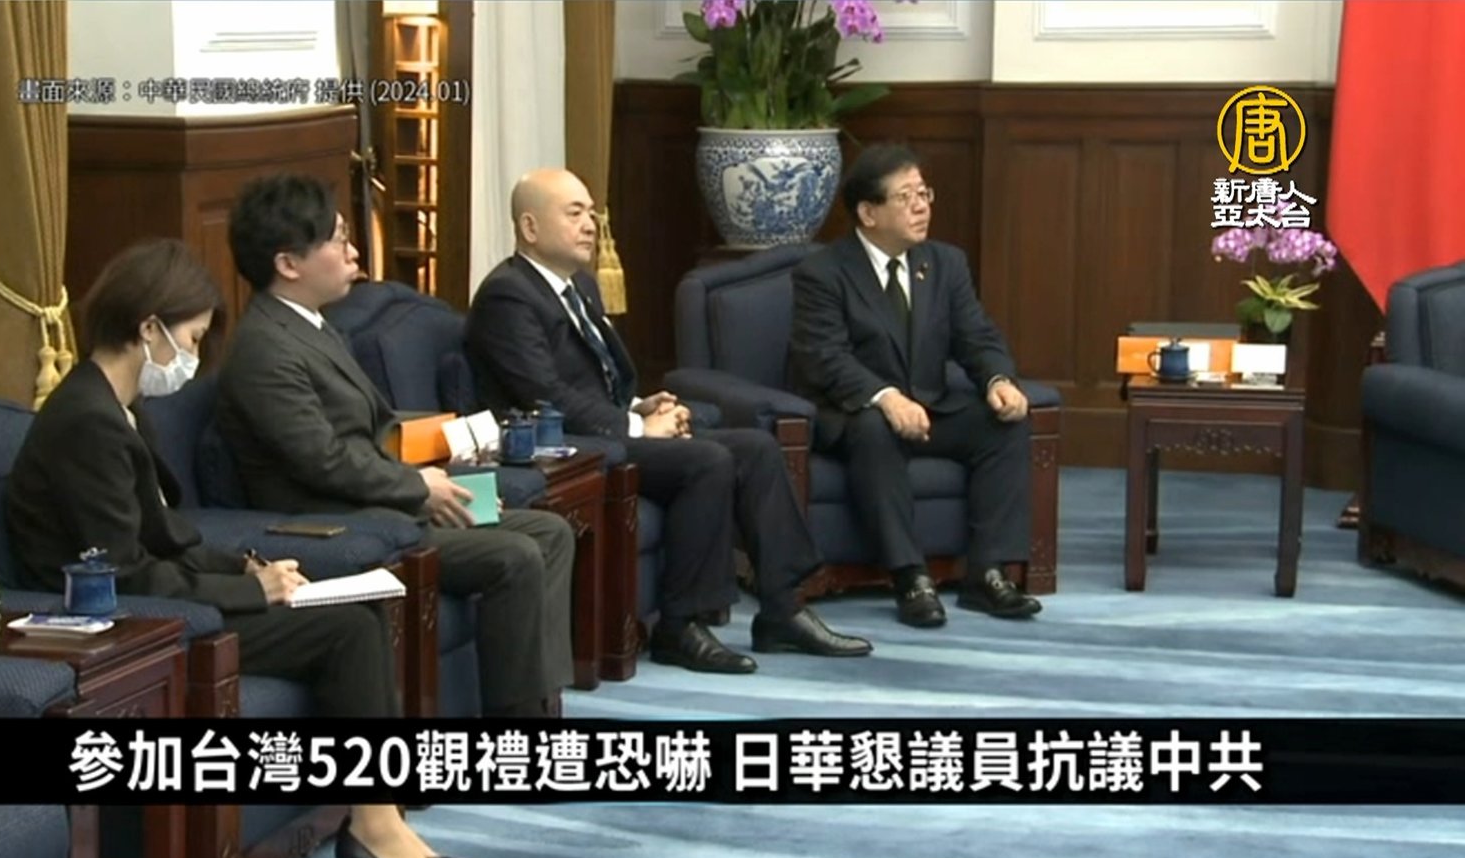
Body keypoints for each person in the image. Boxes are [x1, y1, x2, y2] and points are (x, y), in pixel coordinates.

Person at [4, 239, 473, 858]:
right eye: (192, 339)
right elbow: (125, 572)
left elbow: (166, 536)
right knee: (346, 632)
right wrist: (254, 594)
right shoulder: (87, 421)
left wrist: (248, 568)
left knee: (357, 612)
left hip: (156, 600)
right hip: (123, 627)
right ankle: (374, 823)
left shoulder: (117, 407)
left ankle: (379, 816)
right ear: (149, 328)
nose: (193, 360)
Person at [464, 168, 873, 677]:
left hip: (605, 429)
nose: (590, 224)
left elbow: (597, 381)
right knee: (707, 460)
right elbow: (544, 395)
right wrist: (636, 428)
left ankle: (783, 608)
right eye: (574, 213)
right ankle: (681, 625)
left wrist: (640, 406)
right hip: (561, 447)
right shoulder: (508, 296)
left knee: (756, 447)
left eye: (591, 212)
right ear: (530, 226)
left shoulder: (579, 286)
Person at [213, 173, 574, 718]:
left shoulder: (313, 326)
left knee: (549, 530)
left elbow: (373, 431)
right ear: (288, 263)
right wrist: (417, 489)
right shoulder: (265, 349)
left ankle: (544, 703)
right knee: (515, 554)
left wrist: (448, 484)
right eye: (337, 239)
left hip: (381, 499)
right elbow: (323, 460)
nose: (353, 251)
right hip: (335, 521)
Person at [788, 143, 1044, 629]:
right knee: (872, 427)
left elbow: (976, 335)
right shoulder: (822, 273)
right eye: (905, 197)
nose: (921, 206)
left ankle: (988, 573)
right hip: (857, 412)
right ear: (868, 213)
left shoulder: (945, 263)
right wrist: (887, 398)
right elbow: (825, 357)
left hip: (930, 408)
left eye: (924, 193)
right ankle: (910, 576)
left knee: (1005, 423)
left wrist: (998, 379)